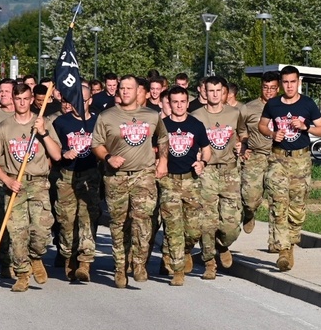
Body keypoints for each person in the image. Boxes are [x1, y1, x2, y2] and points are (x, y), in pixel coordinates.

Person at [91, 75, 169, 287]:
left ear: (138, 92)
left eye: (129, 88)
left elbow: (163, 137)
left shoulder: (151, 115)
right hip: (116, 178)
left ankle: (139, 262)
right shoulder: (107, 116)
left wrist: (163, 161)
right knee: (119, 225)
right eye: (122, 88)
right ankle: (119, 267)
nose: (125, 92)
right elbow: (96, 143)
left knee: (142, 220)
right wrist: (108, 157)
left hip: (143, 175)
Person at [0, 83, 62, 292]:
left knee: (41, 231)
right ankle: (22, 274)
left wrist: (43, 134)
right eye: (17, 99)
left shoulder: (42, 123)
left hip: (38, 183)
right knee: (17, 233)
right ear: (12, 99)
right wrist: (6, 180)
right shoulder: (4, 127)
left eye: (25, 99)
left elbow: (56, 155)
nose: (21, 103)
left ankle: (36, 256)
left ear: (31, 100)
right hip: (14, 184)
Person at [258, 66, 321, 271]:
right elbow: (262, 125)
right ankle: (283, 250)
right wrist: (272, 134)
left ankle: (292, 241)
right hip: (278, 159)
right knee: (278, 205)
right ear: (281, 83)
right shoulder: (273, 104)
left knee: (297, 208)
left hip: (301, 160)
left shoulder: (307, 104)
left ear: (298, 82)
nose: (289, 86)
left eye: (292, 82)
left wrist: (306, 128)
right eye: (285, 82)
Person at [192, 76, 246, 277]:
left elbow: (242, 133)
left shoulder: (234, 113)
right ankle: (209, 263)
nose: (214, 95)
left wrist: (243, 143)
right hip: (207, 171)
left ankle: (223, 245)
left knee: (231, 224)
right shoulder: (196, 115)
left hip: (230, 171)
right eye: (210, 91)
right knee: (208, 220)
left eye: (218, 91)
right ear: (204, 92)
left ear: (223, 92)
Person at [159, 87, 210, 285]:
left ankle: (184, 250)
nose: (179, 105)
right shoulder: (161, 125)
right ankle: (178, 271)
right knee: (173, 228)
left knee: (193, 229)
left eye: (182, 101)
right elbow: (153, 150)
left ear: (187, 103)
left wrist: (202, 162)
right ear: (169, 104)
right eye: (175, 102)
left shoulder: (196, 125)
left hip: (191, 181)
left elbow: (207, 150)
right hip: (169, 181)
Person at [51, 81, 100, 282]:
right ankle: (68, 254)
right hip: (67, 176)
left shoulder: (98, 122)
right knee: (66, 220)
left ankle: (85, 262)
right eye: (76, 100)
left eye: (84, 100)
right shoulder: (61, 123)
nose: (80, 104)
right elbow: (51, 148)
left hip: (90, 174)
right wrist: (63, 152)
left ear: (91, 100)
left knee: (87, 218)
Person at [240, 71, 279, 238]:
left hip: (277, 156)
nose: (269, 91)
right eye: (265, 87)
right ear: (261, 87)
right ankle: (249, 213)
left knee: (277, 199)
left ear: (278, 89)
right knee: (249, 198)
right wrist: (243, 145)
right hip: (255, 156)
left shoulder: (283, 106)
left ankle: (276, 240)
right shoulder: (249, 108)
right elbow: (240, 129)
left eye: (272, 88)